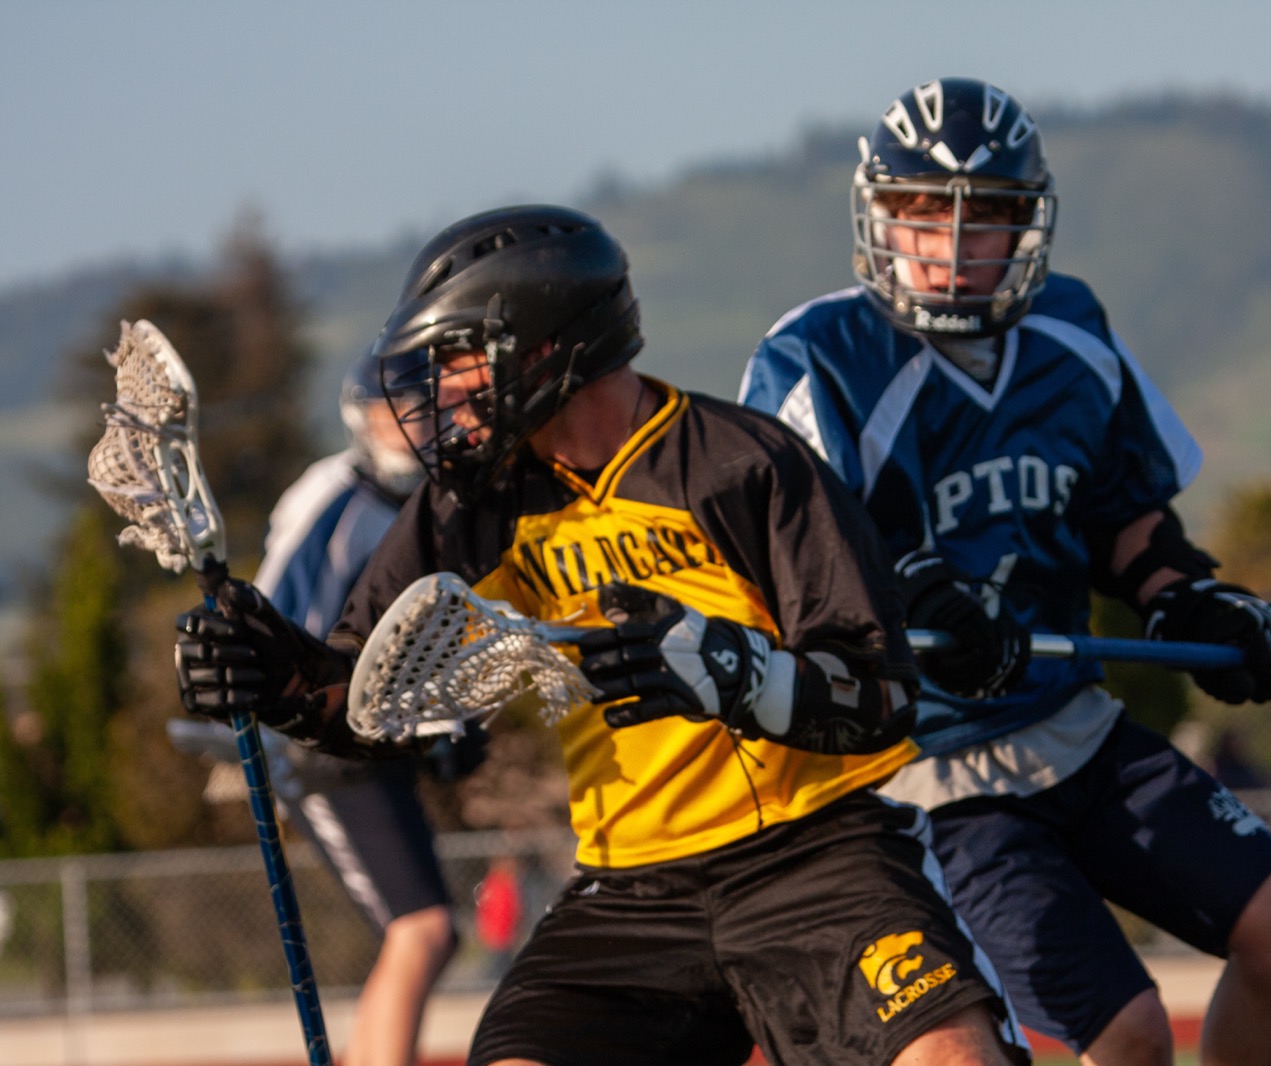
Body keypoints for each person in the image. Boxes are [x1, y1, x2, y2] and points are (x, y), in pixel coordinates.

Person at [172, 205, 1030, 1066]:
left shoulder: (745, 463)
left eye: (464, 356)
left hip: (814, 857)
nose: (447, 388)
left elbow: (880, 693)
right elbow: (361, 695)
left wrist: (737, 676)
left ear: (550, 348)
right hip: (632, 887)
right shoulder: (474, 503)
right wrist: (276, 677)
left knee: (951, 1059)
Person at [740, 77, 1271, 1066]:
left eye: (987, 222)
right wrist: (924, 601)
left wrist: (1192, 604)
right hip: (929, 768)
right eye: (924, 217)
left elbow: (1125, 519)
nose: (952, 248)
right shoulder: (816, 352)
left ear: (1028, 225)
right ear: (878, 216)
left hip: (1073, 725)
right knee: (1124, 1036)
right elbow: (806, 556)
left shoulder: (1068, 328)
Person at [254, 352, 461, 1066]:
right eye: (391, 410)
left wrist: (448, 723)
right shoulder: (333, 494)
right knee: (424, 926)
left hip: (380, 742)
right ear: (361, 419)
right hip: (325, 742)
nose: (408, 426)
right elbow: (269, 618)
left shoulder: (433, 501)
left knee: (424, 929)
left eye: (421, 407)